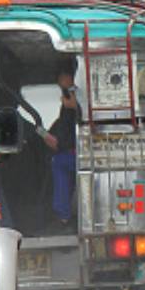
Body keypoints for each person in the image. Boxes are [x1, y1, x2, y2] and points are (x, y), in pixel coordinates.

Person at [45, 55, 80, 227]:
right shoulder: (68, 98)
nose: (60, 81)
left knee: (59, 164)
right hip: (69, 149)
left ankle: (63, 216)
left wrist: (74, 105)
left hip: (75, 152)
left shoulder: (77, 95)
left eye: (61, 77)